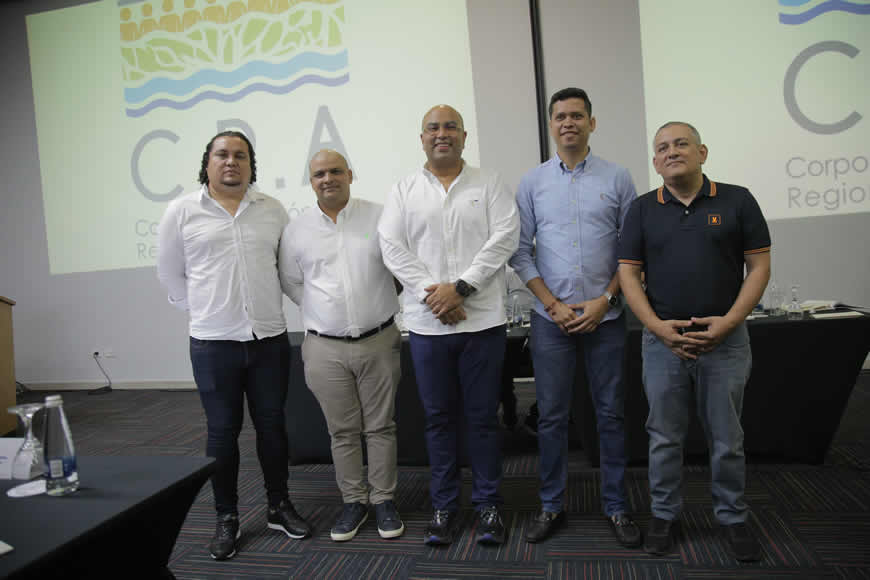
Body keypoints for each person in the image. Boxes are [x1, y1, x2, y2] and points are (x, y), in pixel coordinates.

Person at [617, 121, 770, 561]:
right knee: (664, 437)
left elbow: (759, 267)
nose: (672, 152)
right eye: (663, 147)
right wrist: (655, 327)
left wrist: (729, 322)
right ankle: (664, 515)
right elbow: (628, 273)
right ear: (655, 162)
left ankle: (733, 517)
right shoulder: (642, 209)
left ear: (702, 153)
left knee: (727, 438)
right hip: (663, 343)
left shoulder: (738, 200)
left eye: (681, 144)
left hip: (726, 341)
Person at [157, 131, 310, 561]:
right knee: (222, 433)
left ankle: (279, 506)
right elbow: (169, 274)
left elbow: (286, 271)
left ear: (250, 165)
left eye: (240, 155)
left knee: (272, 427)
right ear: (207, 163)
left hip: (268, 340)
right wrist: (206, 312)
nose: (231, 162)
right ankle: (227, 516)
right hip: (213, 344)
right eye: (222, 154)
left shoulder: (272, 209)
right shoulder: (181, 211)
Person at [378, 104, 519, 546]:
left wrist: (461, 288)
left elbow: (505, 238)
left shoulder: (489, 183)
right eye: (433, 128)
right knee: (439, 419)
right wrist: (434, 295)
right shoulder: (403, 190)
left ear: (464, 136)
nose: (442, 134)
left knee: (483, 418)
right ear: (422, 138)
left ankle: (488, 505)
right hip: (428, 327)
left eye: (451, 127)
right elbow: (391, 247)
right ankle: (444, 507)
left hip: (482, 324)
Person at [509, 87, 641, 546]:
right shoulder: (532, 183)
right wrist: (553, 304)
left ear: (592, 123)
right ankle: (551, 504)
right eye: (561, 116)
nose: (569, 123)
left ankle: (617, 507)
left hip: (606, 317)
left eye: (577, 116)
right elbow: (520, 253)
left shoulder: (617, 177)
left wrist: (606, 299)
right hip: (552, 321)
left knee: (611, 415)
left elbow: (632, 250)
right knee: (551, 417)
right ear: (551, 125)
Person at [278, 150, 404, 543]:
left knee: (381, 426)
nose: (328, 179)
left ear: (350, 174)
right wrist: (325, 311)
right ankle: (354, 501)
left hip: (379, 339)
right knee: (343, 431)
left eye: (335, 171)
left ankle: (383, 500)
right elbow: (291, 282)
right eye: (319, 174)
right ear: (311, 181)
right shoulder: (296, 230)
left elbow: (400, 270)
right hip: (324, 348)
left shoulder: (380, 216)